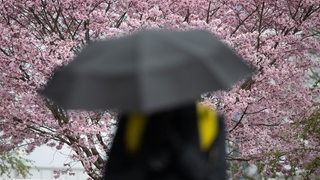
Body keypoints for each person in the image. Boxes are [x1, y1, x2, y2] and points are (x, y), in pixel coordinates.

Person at [104, 103, 226, 180]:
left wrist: (183, 153)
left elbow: (216, 174)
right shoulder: (133, 118)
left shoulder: (209, 120)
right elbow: (114, 173)